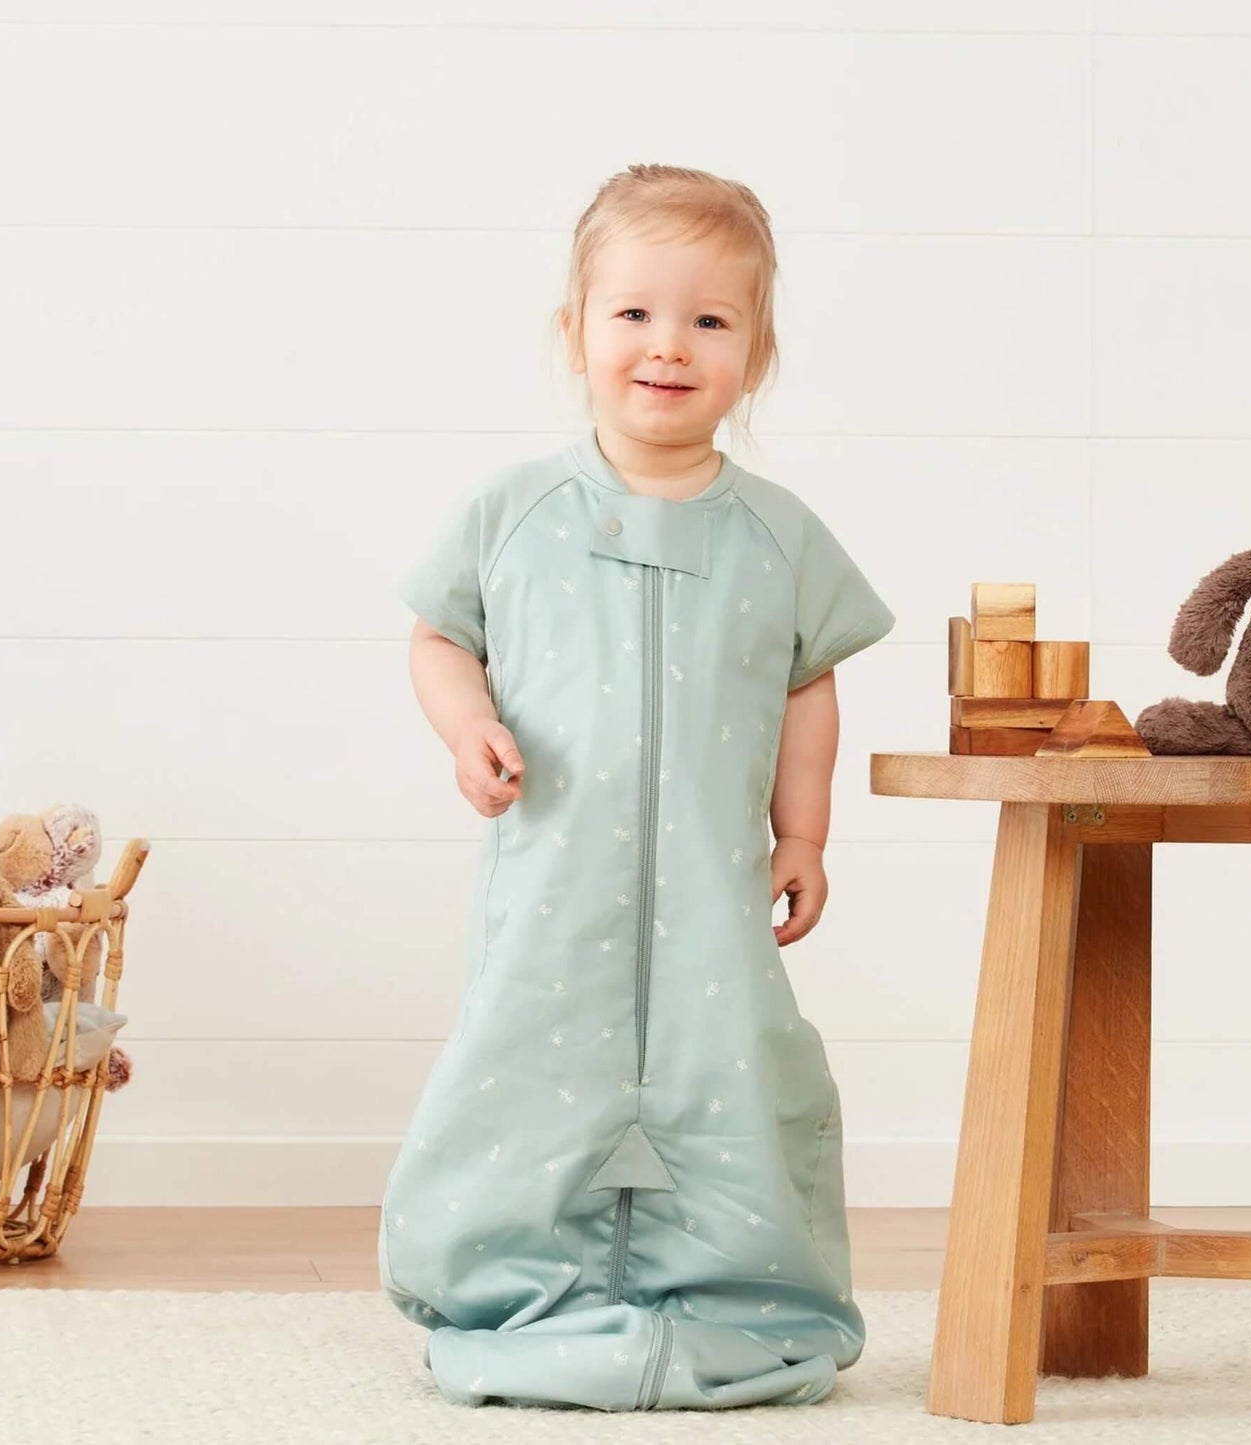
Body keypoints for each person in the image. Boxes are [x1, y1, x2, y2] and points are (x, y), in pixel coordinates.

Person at [380, 163, 895, 1411]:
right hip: (551, 885)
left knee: (730, 1075)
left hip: (713, 897)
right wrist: (469, 729)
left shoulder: (776, 533)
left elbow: (805, 679)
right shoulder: (515, 510)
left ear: (754, 353)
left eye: (709, 321)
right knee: (528, 1071)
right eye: (633, 315)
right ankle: (507, 1280)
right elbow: (438, 634)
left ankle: (730, 1280)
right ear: (576, 333)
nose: (668, 346)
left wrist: (803, 829)